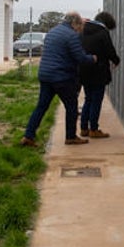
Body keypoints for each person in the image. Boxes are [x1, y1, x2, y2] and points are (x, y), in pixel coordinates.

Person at [20, 12, 96, 147]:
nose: (80, 29)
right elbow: (80, 58)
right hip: (61, 77)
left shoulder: (52, 32)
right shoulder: (71, 35)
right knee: (72, 107)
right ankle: (71, 137)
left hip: (45, 74)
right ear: (75, 23)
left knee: (41, 107)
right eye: (79, 26)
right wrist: (93, 58)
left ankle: (28, 136)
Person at [78, 11, 120, 138]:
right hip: (99, 71)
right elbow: (109, 50)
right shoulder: (102, 32)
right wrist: (116, 60)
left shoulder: (82, 30)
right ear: (106, 23)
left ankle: (84, 128)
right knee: (96, 100)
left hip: (84, 69)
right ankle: (94, 129)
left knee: (88, 99)